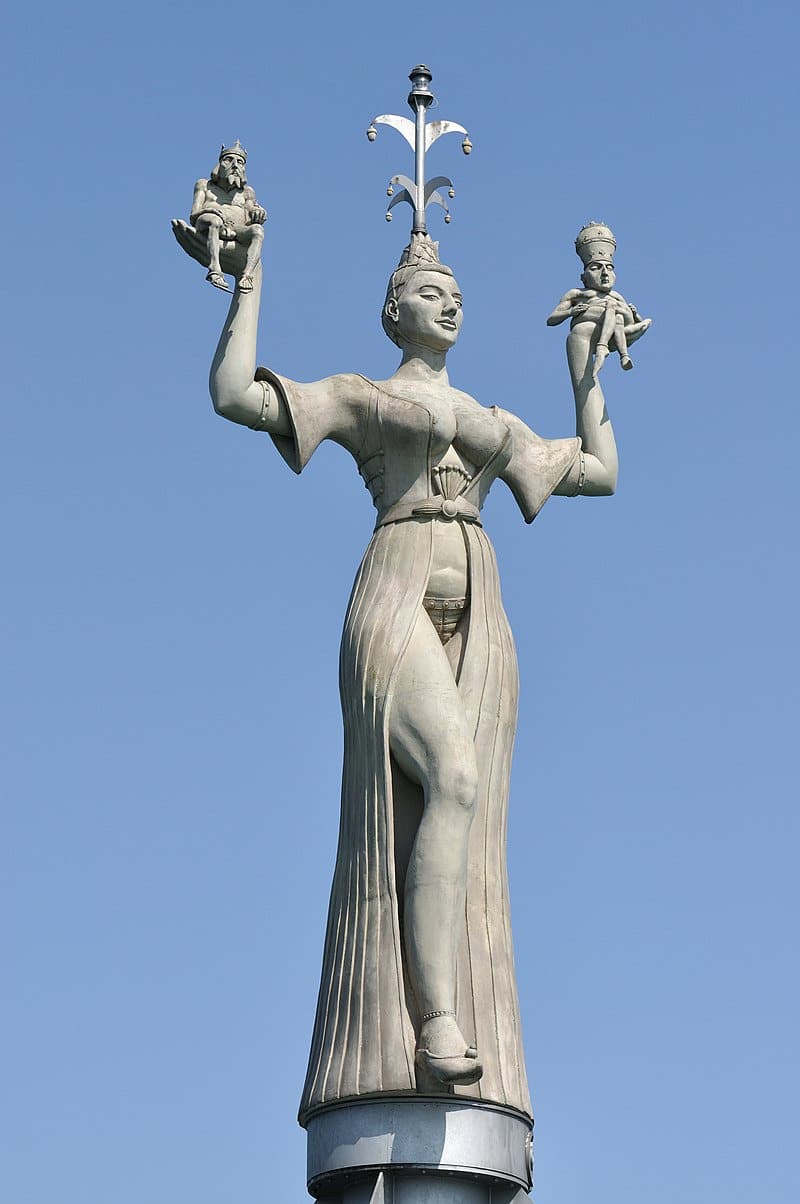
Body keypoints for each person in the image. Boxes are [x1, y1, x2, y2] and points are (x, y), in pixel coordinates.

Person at [202, 231, 619, 1121]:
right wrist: (252, 279)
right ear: (395, 311)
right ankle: (433, 1021)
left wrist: (585, 368)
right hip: (395, 592)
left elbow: (599, 471)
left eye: (457, 290)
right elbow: (236, 397)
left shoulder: (493, 420)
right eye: (433, 291)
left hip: (483, 617)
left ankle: (456, 1010)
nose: (452, 302)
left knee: (469, 813)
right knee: (453, 783)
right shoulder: (364, 397)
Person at [547, 222, 651, 380]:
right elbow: (551, 319)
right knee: (613, 310)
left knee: (617, 314)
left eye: (609, 268)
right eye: (596, 268)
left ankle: (620, 354)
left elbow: (633, 322)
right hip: (586, 333)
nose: (604, 273)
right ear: (583, 277)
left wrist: (636, 315)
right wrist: (571, 312)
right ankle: (609, 351)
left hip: (618, 333)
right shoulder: (577, 294)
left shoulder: (617, 296)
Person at [189, 141, 266, 292]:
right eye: (229, 160)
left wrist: (259, 213)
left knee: (257, 231)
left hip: (236, 229)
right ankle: (215, 270)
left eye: (240, 162)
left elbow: (251, 215)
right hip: (208, 222)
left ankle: (247, 275)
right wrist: (210, 212)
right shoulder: (204, 185)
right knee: (214, 220)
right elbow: (193, 215)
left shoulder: (247, 192)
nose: (235, 165)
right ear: (220, 164)